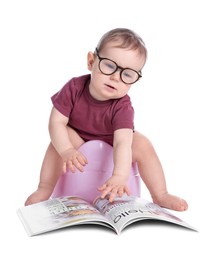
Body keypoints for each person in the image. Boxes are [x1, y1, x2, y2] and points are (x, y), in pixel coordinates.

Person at [25, 28, 188, 211]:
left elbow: (122, 143)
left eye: (127, 75)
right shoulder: (73, 88)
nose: (115, 77)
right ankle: (44, 188)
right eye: (109, 66)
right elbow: (56, 122)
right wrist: (67, 150)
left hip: (113, 145)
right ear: (91, 61)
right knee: (62, 137)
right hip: (79, 141)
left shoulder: (123, 106)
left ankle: (161, 194)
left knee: (142, 144)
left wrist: (120, 175)